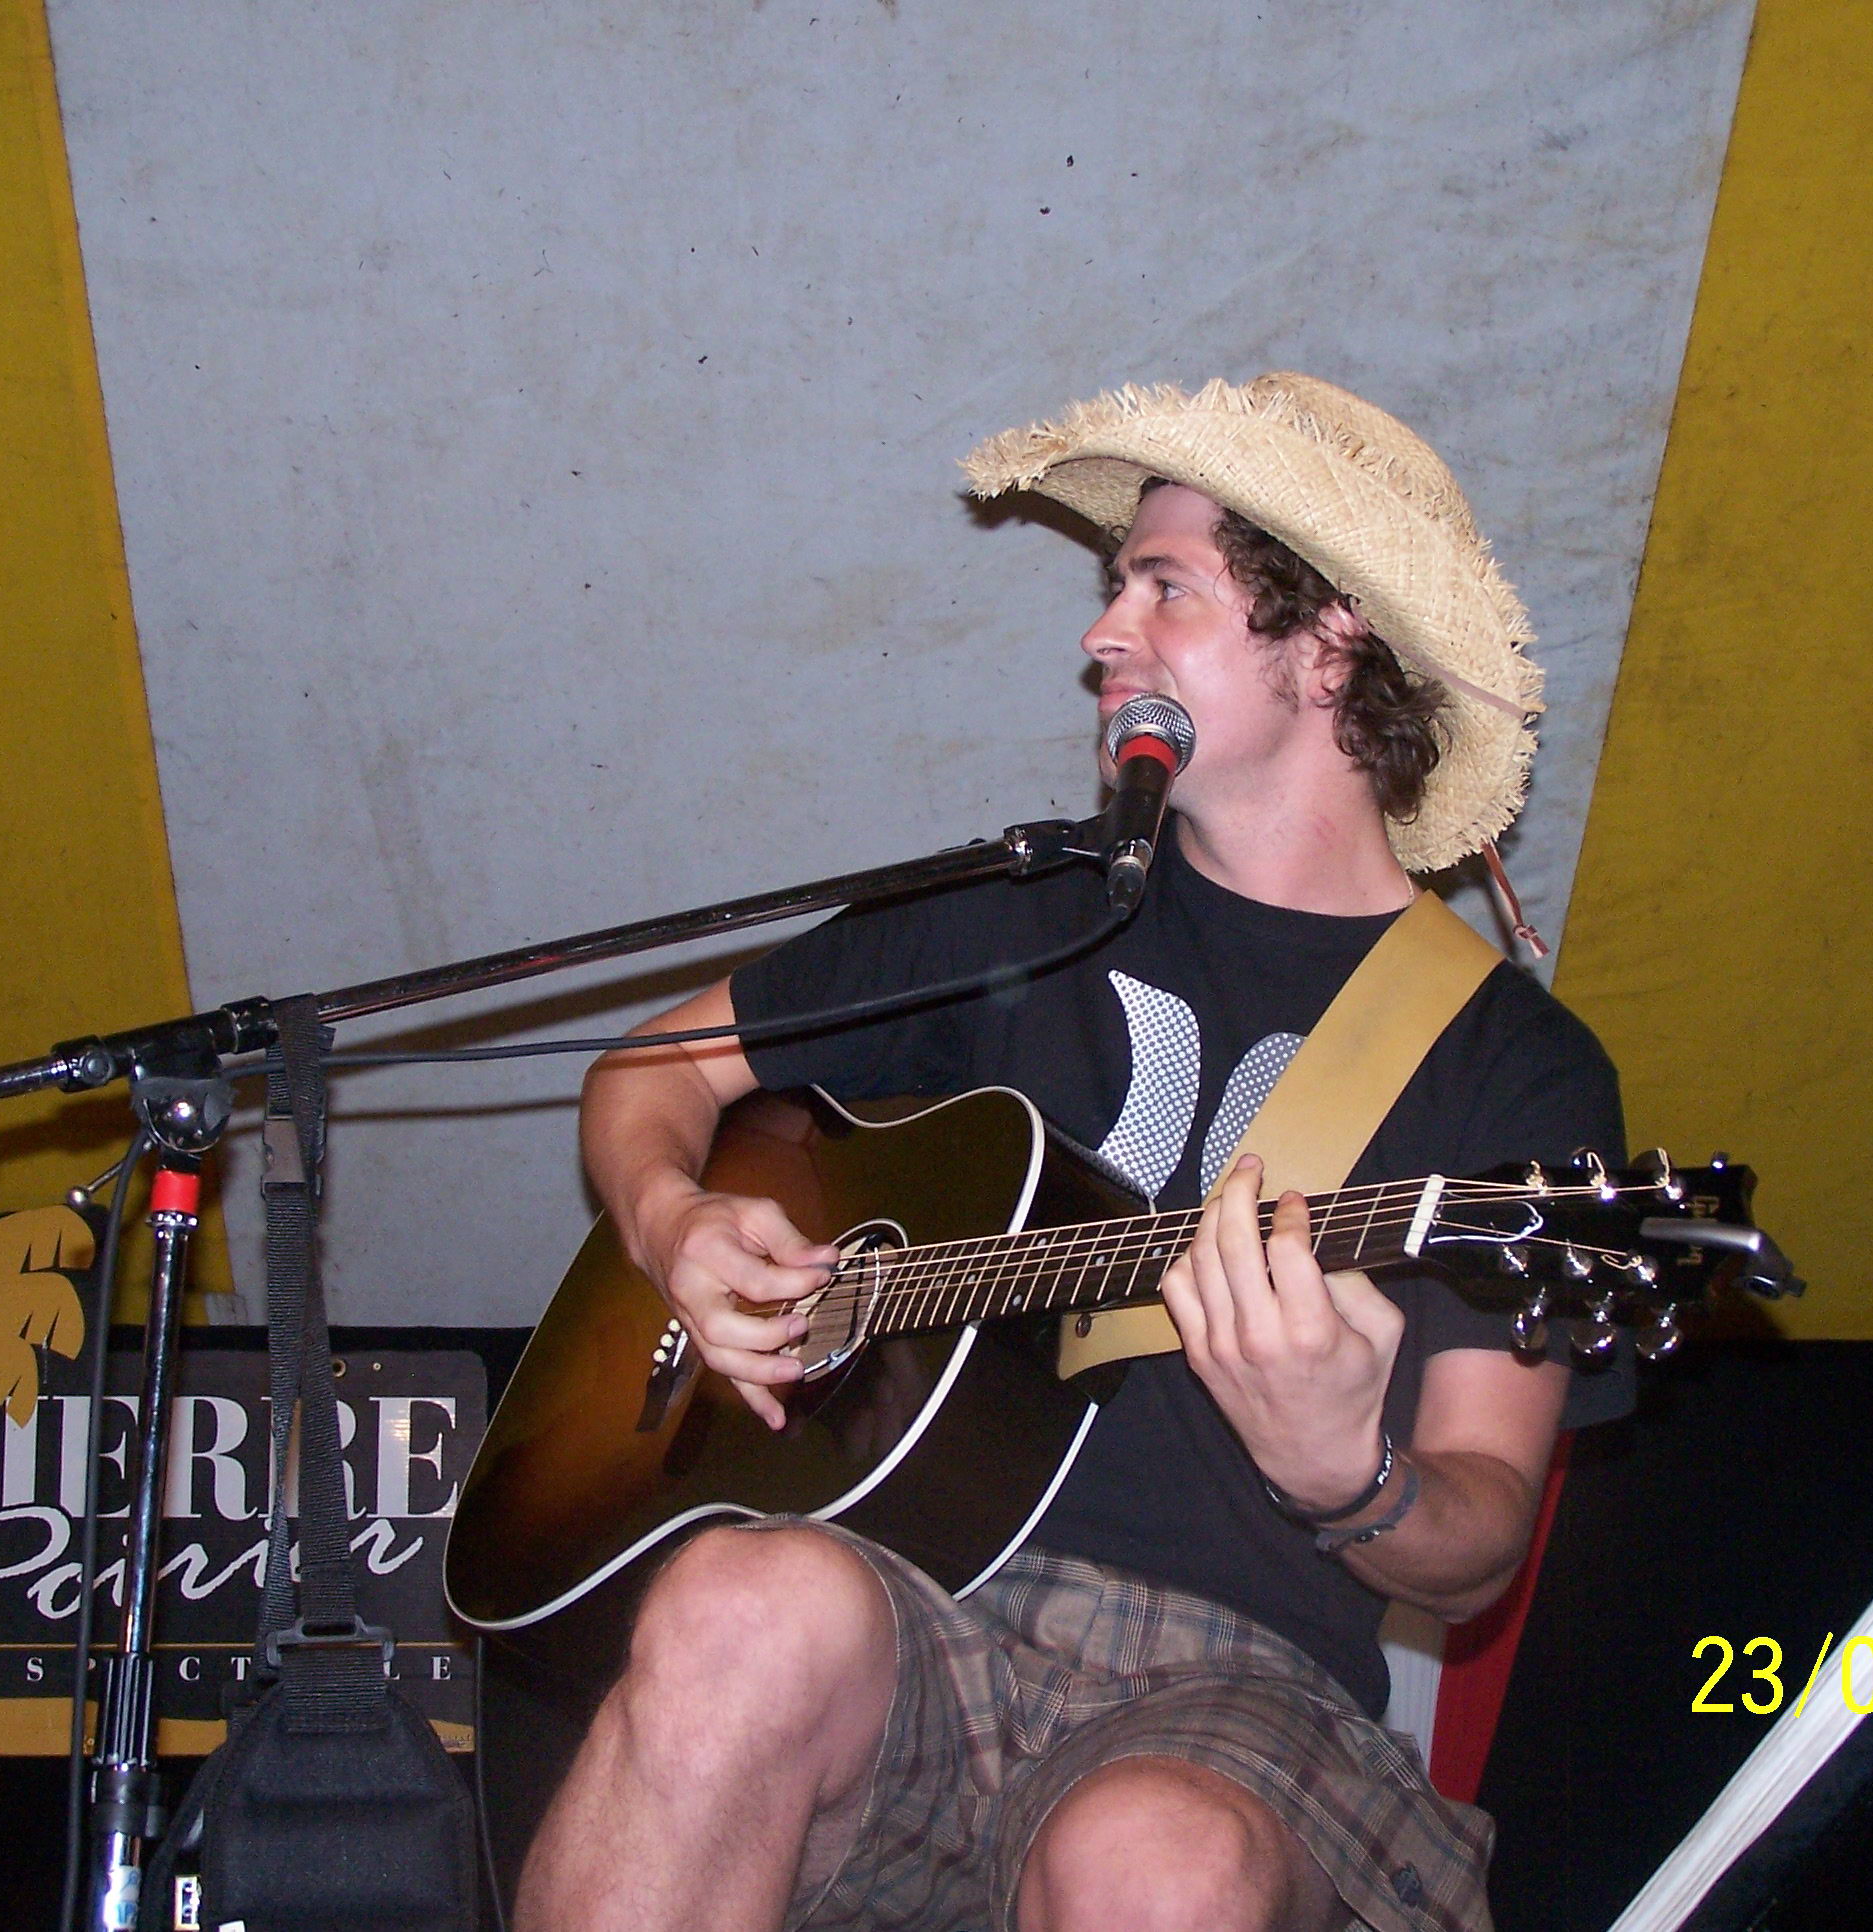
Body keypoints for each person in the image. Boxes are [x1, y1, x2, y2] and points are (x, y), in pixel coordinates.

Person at [520, 373, 1626, 1932]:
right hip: (905, 1610)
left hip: (1238, 1687)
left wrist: (1351, 1473)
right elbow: (655, 1070)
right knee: (731, 1609)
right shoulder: (1022, 915)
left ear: (1331, 640)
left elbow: (1479, 1536)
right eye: (1118, 588)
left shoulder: (1514, 1069)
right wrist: (671, 1219)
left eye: (1165, 587)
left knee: (1150, 1859)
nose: (1104, 633)